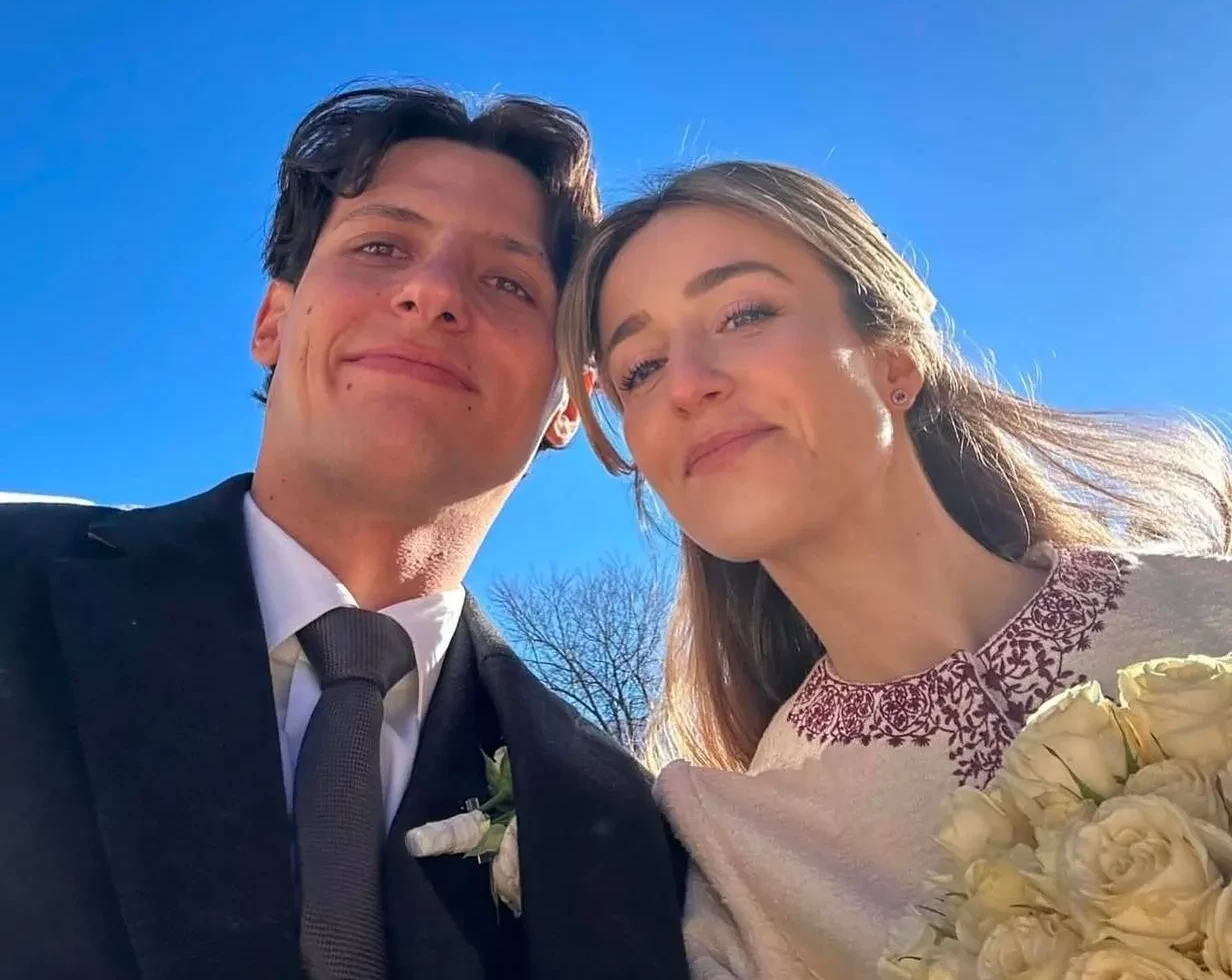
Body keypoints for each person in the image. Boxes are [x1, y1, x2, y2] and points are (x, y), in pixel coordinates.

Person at [0, 86, 690, 980]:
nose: (432, 292)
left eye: (508, 282)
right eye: (381, 246)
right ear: (272, 321)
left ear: (570, 403)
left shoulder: (619, 824)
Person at [556, 159, 1232, 979]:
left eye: (744, 314)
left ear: (896, 362)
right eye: (641, 369)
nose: (689, 384)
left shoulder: (1210, 603)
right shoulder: (742, 858)